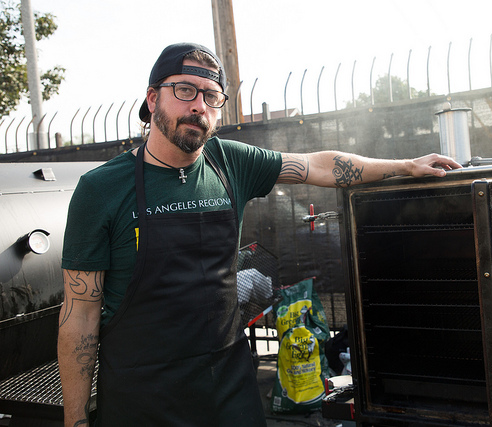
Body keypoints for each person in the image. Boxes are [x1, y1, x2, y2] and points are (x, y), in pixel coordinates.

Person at [57, 42, 461, 426]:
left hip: (229, 393)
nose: (198, 105)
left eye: (211, 96)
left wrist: (406, 165)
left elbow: (319, 165)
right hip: (141, 400)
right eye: (184, 90)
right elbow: (80, 316)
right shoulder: (101, 190)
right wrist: (74, 420)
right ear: (152, 99)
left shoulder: (231, 162)